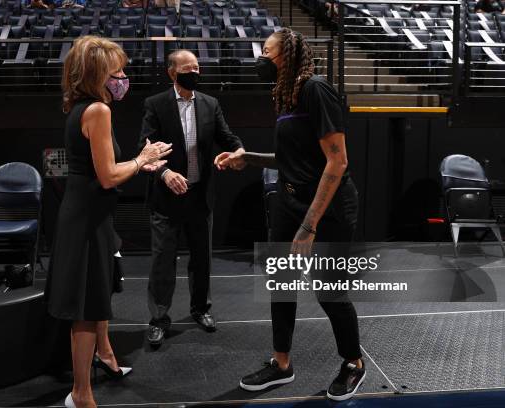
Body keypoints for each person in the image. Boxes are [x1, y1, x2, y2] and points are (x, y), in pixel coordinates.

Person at [215, 29, 365, 401]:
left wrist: (309, 225)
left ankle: (354, 363)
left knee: (330, 291)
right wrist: (247, 157)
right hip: (288, 200)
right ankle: (281, 364)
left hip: (327, 207)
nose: (260, 58)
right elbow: (289, 159)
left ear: (288, 55)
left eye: (266, 51)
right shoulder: (286, 96)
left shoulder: (316, 89)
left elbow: (337, 160)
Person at [46, 36, 171, 408]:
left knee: (96, 297)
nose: (122, 77)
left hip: (89, 215)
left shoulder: (87, 107)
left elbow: (106, 169)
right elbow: (107, 177)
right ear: (98, 74)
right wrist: (141, 158)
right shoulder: (98, 112)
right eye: (117, 71)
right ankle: (81, 394)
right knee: (86, 311)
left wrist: (137, 164)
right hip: (86, 221)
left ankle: (106, 355)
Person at [139, 50, 245, 347]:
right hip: (167, 196)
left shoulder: (211, 104)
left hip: (200, 195)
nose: (195, 73)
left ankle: (201, 309)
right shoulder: (156, 105)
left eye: (198, 67)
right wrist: (165, 173)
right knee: (163, 261)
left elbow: (228, 137)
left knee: (202, 259)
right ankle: (159, 318)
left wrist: (238, 151)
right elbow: (144, 148)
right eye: (188, 68)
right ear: (173, 72)